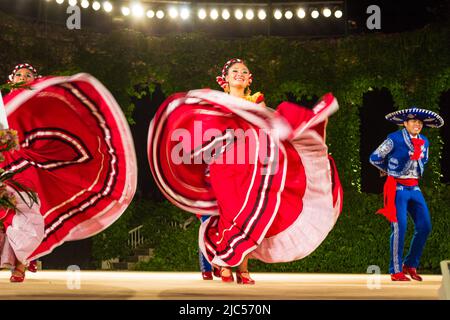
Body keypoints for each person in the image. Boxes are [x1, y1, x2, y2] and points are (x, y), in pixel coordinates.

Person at [148, 58, 343, 285]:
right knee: (218, 218)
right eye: (234, 71)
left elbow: (268, 128)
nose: (239, 74)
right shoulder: (215, 104)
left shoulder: (256, 102)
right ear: (225, 79)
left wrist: (298, 133)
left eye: (244, 71)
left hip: (246, 170)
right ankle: (217, 263)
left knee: (247, 217)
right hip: (219, 167)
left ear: (249, 79)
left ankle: (240, 268)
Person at [0, 64, 137, 282]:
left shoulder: (42, 102)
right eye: (19, 74)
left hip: (27, 165)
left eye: (28, 75)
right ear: (11, 78)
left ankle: (20, 265)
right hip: (3, 166)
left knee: (28, 212)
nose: (23, 77)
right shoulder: (4, 104)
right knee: (4, 217)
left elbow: (52, 126)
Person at [369, 107, 444, 281]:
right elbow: (375, 157)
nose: (417, 124)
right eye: (413, 121)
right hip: (397, 188)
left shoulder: (425, 140)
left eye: (419, 122)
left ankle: (410, 264)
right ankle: (395, 270)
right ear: (405, 123)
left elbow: (423, 160)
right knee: (399, 227)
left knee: (425, 226)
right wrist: (388, 170)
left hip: (414, 187)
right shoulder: (394, 139)